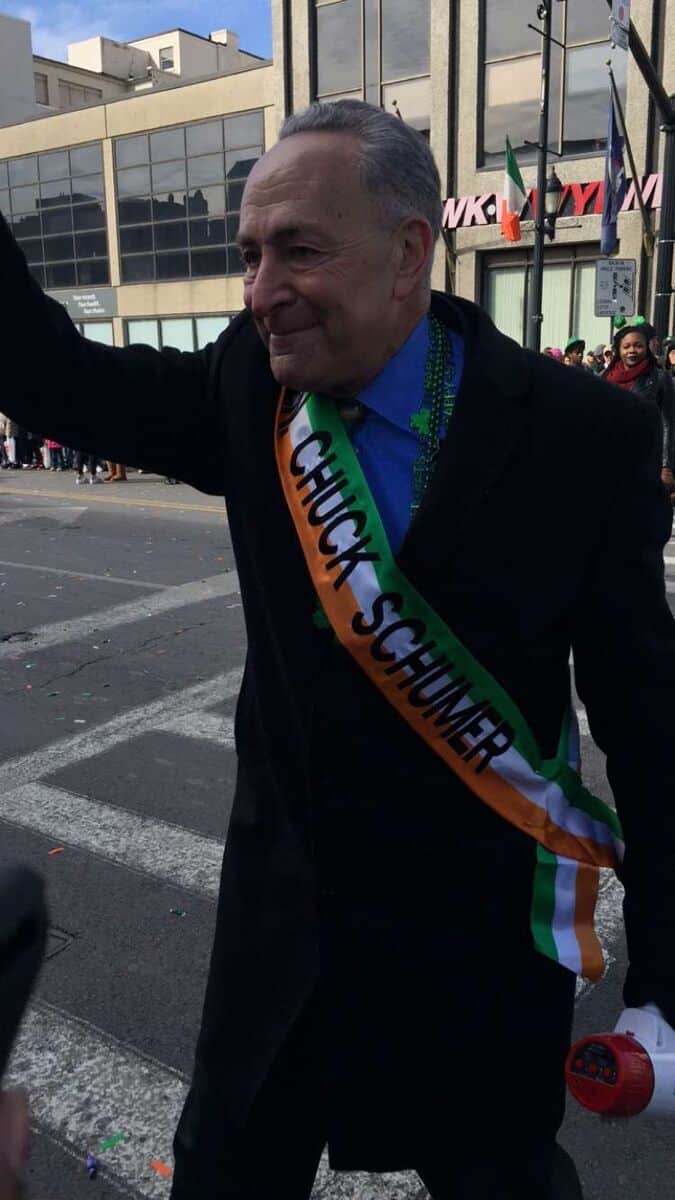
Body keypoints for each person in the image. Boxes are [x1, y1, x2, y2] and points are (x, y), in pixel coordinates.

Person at [2, 98, 675, 1200]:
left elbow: (652, 732)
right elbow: (49, 376)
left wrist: (666, 976)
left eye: (299, 251)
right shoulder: (247, 383)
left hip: (478, 960)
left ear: (409, 253)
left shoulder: (584, 436)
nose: (261, 290)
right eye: (249, 255)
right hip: (283, 948)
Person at [604, 321, 675, 493]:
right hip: (609, 455)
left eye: (638, 346)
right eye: (626, 347)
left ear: (647, 348)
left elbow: (668, 423)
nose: (632, 351)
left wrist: (666, 466)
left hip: (645, 458)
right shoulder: (604, 378)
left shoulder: (660, 378)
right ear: (618, 350)